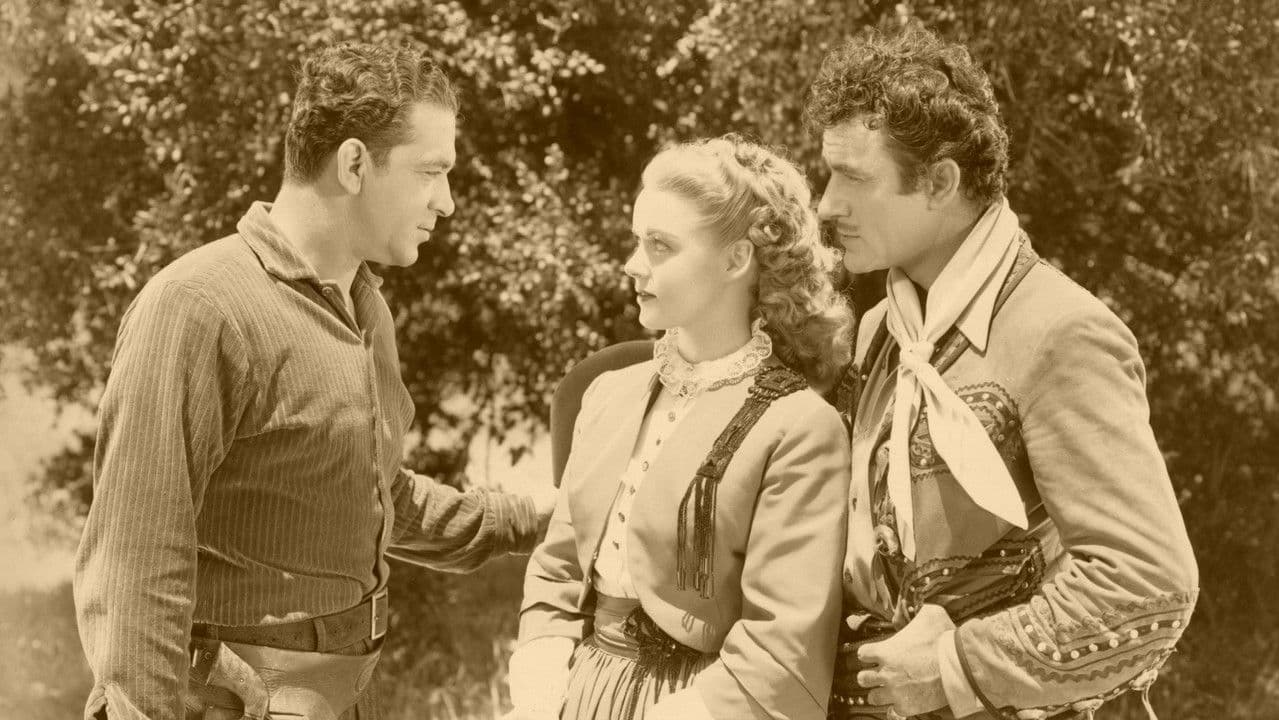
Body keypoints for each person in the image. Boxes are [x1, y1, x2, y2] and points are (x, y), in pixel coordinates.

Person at [73, 43, 555, 720]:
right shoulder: (199, 307)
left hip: (342, 698)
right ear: (354, 164)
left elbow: (372, 494)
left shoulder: (365, 307)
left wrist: (534, 519)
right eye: (431, 172)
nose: (446, 203)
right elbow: (136, 558)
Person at [807, 27, 1199, 720]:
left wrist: (956, 666)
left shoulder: (1060, 331)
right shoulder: (881, 332)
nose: (827, 205)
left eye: (855, 178)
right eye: (829, 175)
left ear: (940, 182)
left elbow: (1148, 586)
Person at [506, 136, 853, 720]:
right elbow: (558, 567)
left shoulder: (797, 427)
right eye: (636, 240)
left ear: (735, 261)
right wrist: (541, 679)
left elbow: (783, 645)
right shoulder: (608, 394)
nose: (633, 264)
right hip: (575, 692)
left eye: (660, 246)